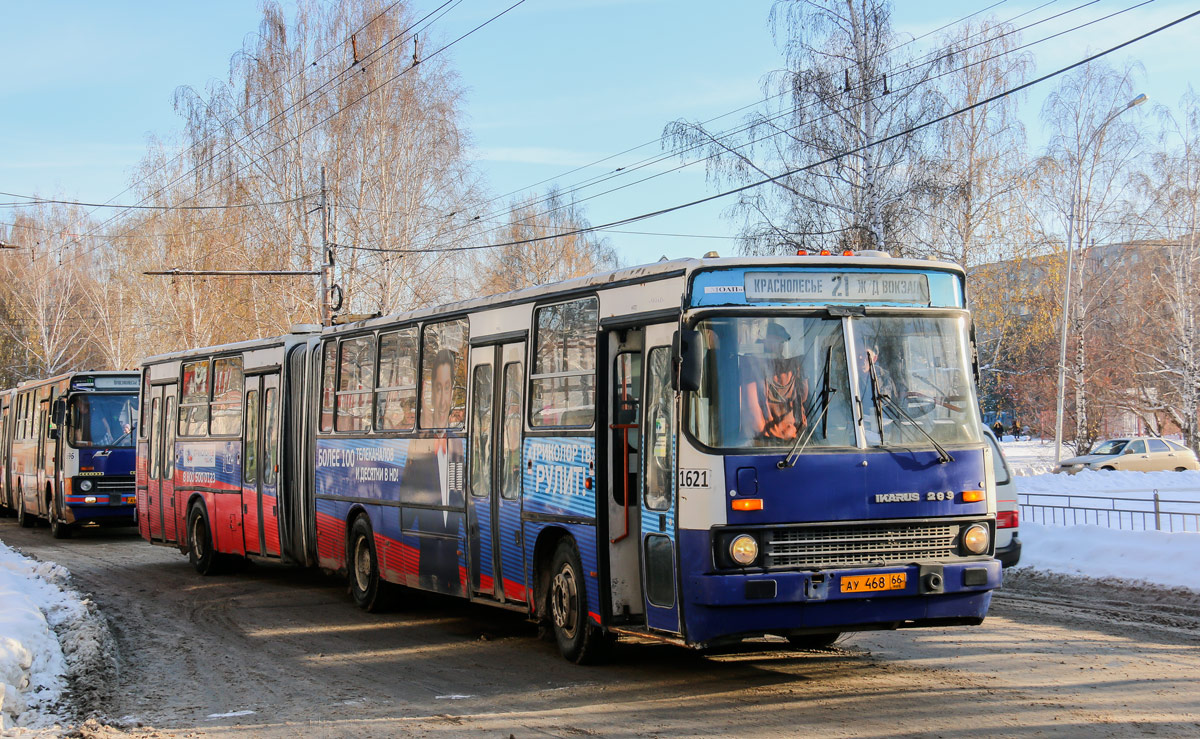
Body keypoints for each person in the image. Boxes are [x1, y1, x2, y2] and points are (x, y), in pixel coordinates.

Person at [410, 348, 463, 594]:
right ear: (431, 393)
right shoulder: (419, 445)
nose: (443, 399)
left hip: (454, 576)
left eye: (448, 387)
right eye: (438, 388)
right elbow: (406, 512)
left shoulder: (457, 446)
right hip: (425, 573)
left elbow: (460, 500)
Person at [742, 321, 808, 442]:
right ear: (766, 341)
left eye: (782, 342)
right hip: (768, 439)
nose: (781, 345)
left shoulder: (791, 366)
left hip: (782, 437)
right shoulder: (752, 365)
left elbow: (803, 396)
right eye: (778, 341)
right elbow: (803, 395)